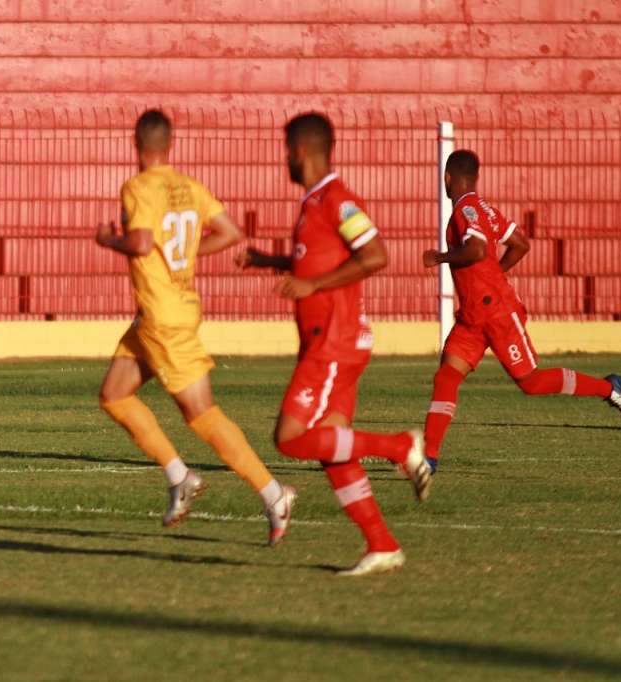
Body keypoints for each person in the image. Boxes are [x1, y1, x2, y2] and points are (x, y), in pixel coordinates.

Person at [236, 113, 431, 577]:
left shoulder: (337, 200)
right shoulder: (314, 203)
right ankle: (381, 544)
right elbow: (317, 259)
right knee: (331, 448)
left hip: (334, 341)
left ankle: (400, 445)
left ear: (300, 151)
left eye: (286, 150)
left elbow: (375, 255)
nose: (284, 159)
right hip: (329, 341)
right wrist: (272, 261)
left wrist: (313, 285)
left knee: (290, 438)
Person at [96, 109, 297, 546]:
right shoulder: (189, 187)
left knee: (200, 413)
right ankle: (179, 476)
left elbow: (142, 242)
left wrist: (107, 239)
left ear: (137, 143)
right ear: (170, 144)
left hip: (165, 317)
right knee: (113, 394)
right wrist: (185, 255)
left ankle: (273, 493)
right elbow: (230, 231)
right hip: (159, 314)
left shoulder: (137, 187)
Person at [421, 150, 621, 471]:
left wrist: (440, 258)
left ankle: (610, 388)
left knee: (531, 382)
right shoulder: (486, 210)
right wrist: (495, 274)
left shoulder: (465, 209)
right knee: (446, 376)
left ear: (447, 178)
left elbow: (477, 249)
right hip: (472, 317)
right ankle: (428, 458)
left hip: (496, 313)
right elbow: (520, 243)